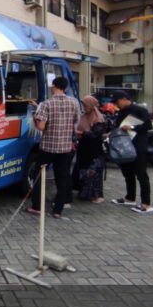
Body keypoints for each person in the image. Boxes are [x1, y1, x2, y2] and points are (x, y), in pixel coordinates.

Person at [27, 76, 78, 218]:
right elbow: (75, 121)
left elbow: (41, 126)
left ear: (53, 86)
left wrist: (35, 118)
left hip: (48, 148)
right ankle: (57, 211)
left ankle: (37, 207)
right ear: (65, 88)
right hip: (65, 148)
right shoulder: (73, 103)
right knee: (61, 178)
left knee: (39, 176)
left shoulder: (47, 104)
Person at [110, 91, 153, 213]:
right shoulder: (121, 112)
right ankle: (130, 197)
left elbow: (148, 126)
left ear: (125, 99)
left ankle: (146, 204)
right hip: (125, 147)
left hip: (138, 146)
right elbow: (118, 126)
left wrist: (132, 127)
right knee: (128, 173)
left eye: (117, 101)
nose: (116, 104)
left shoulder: (140, 110)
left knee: (141, 175)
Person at [73, 95, 107, 203]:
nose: (84, 107)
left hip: (94, 151)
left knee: (94, 173)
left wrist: (81, 133)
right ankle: (85, 193)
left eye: (86, 105)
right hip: (83, 149)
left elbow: (95, 134)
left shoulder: (98, 119)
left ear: (92, 106)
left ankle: (97, 196)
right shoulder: (84, 116)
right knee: (83, 172)